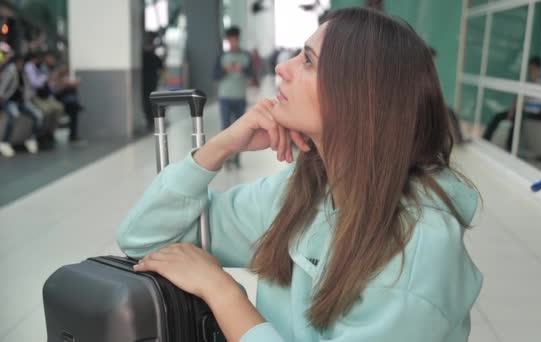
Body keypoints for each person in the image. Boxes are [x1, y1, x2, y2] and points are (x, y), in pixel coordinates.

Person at [118, 7, 482, 341]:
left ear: (358, 97)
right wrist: (218, 148)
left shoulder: (416, 253)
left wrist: (222, 292)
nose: (282, 69)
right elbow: (143, 239)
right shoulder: (303, 194)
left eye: (307, 61)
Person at [482, 56, 541, 150]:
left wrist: (534, 81)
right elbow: (520, 96)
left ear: (538, 68)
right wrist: (512, 109)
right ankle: (485, 139)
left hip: (535, 113)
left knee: (517, 118)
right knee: (498, 116)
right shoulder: (531, 81)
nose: (530, 72)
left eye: (532, 69)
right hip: (523, 110)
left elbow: (526, 96)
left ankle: (510, 148)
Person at [213, 25, 254, 168]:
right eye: (230, 40)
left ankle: (237, 157)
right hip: (225, 96)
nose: (233, 43)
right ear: (227, 40)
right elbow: (215, 76)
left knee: (240, 129)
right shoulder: (222, 57)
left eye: (235, 40)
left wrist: (241, 70)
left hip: (240, 97)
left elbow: (252, 75)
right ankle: (226, 157)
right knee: (225, 128)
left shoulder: (245, 56)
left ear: (238, 40)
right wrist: (225, 70)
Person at [0, 54, 43, 157]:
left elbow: (27, 88)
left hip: (22, 102)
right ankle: (5, 142)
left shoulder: (23, 73)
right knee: (14, 114)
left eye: (22, 63)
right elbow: (2, 87)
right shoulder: (10, 72)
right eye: (19, 62)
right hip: (9, 101)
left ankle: (31, 139)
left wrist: (28, 98)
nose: (21, 64)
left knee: (38, 115)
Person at [142, 33, 165, 131]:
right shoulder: (150, 56)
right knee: (149, 101)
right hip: (150, 82)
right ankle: (150, 120)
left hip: (149, 83)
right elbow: (162, 68)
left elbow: (161, 68)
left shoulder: (146, 56)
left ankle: (150, 120)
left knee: (149, 101)